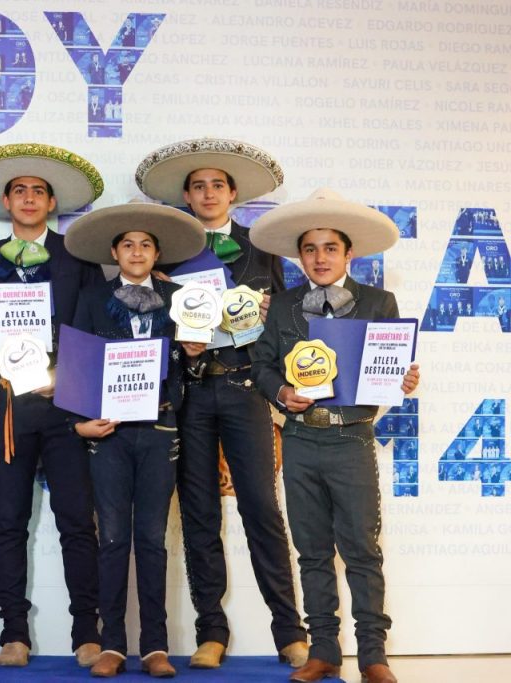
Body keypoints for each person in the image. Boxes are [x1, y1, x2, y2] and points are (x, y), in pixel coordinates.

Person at [135, 137, 307, 669]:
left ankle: (290, 631)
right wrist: (168, 315)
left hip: (245, 388)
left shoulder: (262, 247)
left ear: (233, 194)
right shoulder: (170, 248)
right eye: (198, 186)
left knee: (262, 508)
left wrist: (270, 314)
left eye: (217, 185)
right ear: (186, 197)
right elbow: (147, 327)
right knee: (199, 512)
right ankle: (211, 630)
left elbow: (282, 324)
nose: (208, 193)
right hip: (189, 392)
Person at [249, 188, 420, 683]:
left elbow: (390, 365)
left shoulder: (379, 302)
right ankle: (323, 650)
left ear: (350, 254)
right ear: (299, 256)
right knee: (312, 551)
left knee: (362, 551)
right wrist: (282, 391)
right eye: (310, 249)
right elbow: (261, 366)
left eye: (330, 248)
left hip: (352, 439)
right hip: (300, 439)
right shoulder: (282, 305)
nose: (320, 258)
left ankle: (373, 656)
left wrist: (402, 379)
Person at [0, 143, 104, 667]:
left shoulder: (77, 256)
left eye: (38, 191)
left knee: (77, 522)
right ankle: (13, 633)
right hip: (9, 406)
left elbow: (93, 328)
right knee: (8, 522)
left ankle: (87, 633)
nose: (29, 198)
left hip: (66, 404)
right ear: (6, 201)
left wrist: (67, 379)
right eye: (19, 190)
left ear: (51, 202)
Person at [62, 203, 206, 677]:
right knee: (112, 539)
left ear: (157, 254)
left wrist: (194, 354)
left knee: (151, 539)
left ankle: (155, 647)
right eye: (128, 245)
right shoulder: (91, 298)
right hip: (110, 433)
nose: (137, 252)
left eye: (146, 245)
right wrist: (79, 422)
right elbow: (76, 363)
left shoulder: (181, 298)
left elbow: (196, 369)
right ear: (114, 253)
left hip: (161, 428)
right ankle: (111, 645)